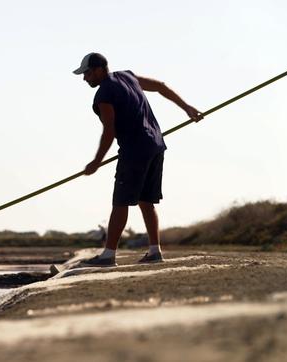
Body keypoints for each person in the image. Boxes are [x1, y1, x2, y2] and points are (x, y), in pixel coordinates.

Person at [73, 52, 203, 267]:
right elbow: (161, 86)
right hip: (156, 145)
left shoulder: (104, 93)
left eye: (86, 73)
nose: (85, 78)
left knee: (121, 202)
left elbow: (109, 130)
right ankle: (154, 251)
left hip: (134, 150)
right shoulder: (128, 76)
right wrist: (187, 108)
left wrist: (96, 161)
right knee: (146, 201)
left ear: (98, 69)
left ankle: (107, 256)